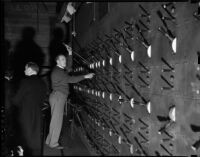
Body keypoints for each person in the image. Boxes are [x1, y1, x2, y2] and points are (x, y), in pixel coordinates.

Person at [45, 45, 95, 149]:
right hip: (58, 97)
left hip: (58, 97)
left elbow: (69, 67)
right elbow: (71, 79)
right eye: (62, 59)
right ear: (57, 61)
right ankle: (53, 143)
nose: (65, 61)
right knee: (57, 121)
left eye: (64, 59)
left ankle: (49, 141)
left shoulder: (60, 70)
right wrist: (85, 76)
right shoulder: (58, 72)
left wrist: (70, 54)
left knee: (55, 120)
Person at [12, 62, 47, 156]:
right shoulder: (42, 83)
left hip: (25, 115)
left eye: (25, 68)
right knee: (36, 141)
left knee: (25, 140)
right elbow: (43, 99)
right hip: (38, 114)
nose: (24, 70)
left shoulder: (25, 82)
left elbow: (16, 100)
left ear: (30, 69)